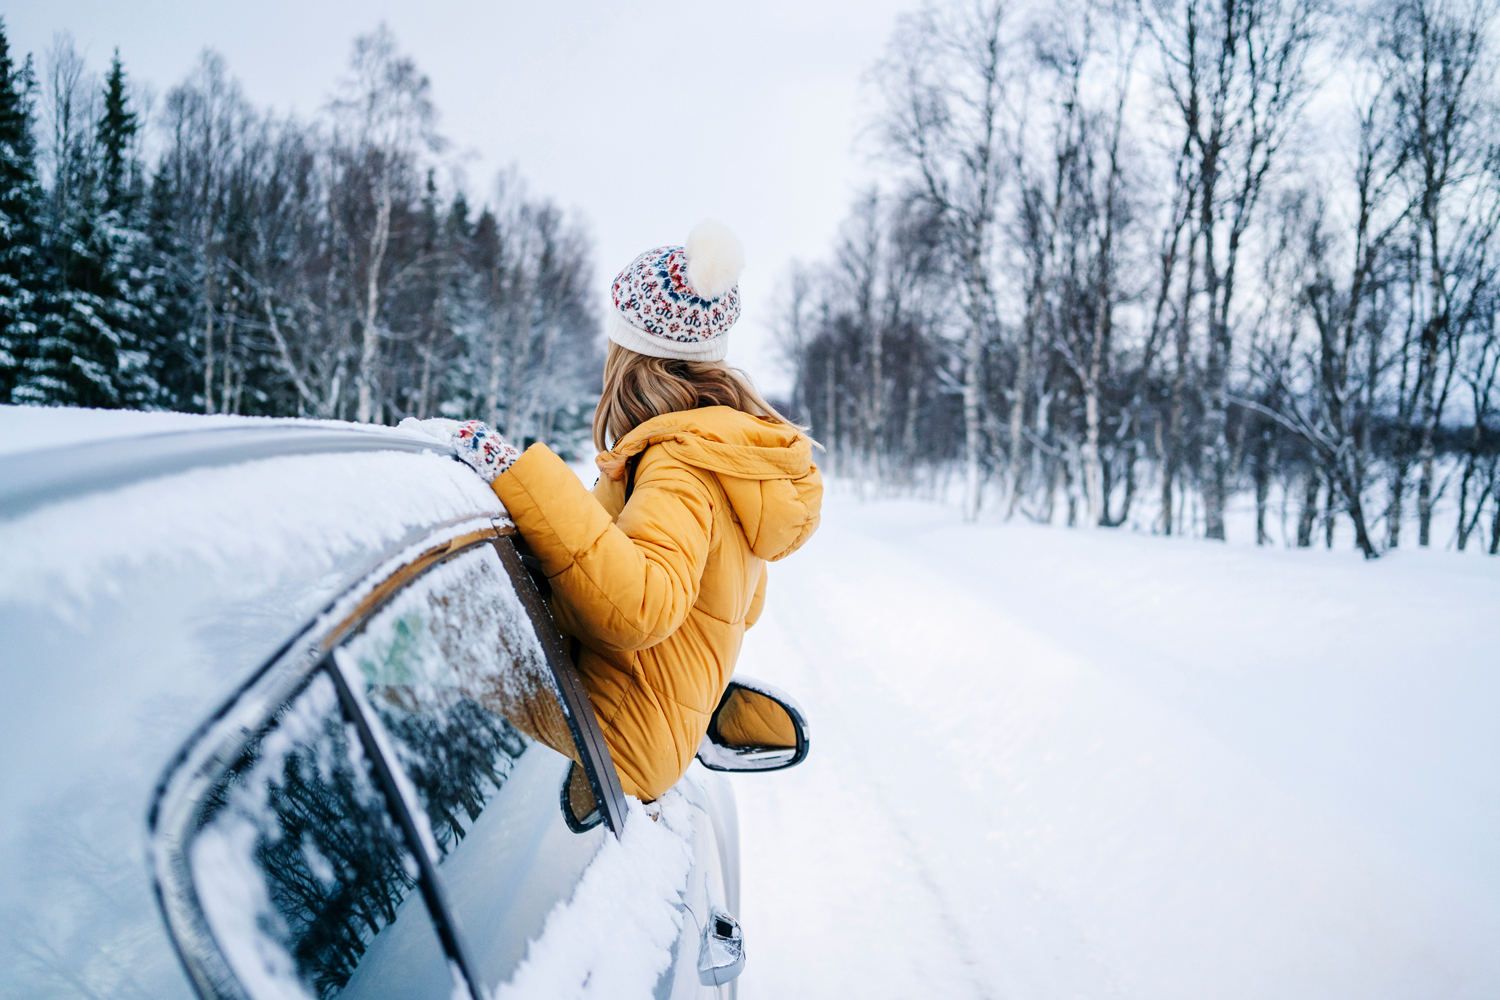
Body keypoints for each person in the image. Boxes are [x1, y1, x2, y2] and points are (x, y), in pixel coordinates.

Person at [407, 220, 822, 802]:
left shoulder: (680, 465)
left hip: (608, 743)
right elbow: (735, 609)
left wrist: (513, 473)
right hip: (638, 745)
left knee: (415, 636)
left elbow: (639, 605)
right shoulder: (730, 457)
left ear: (631, 351)